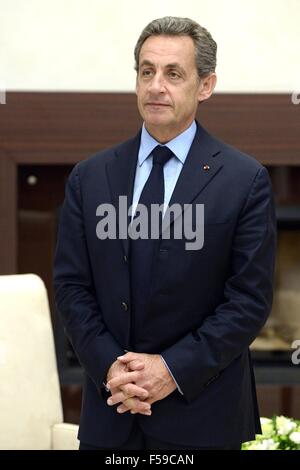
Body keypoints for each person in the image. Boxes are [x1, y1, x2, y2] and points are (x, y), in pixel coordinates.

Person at [54, 16, 276, 450]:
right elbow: (71, 287)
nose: (157, 85)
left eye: (173, 73)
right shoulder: (90, 176)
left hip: (204, 416)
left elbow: (249, 300)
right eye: (147, 71)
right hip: (113, 410)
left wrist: (170, 370)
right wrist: (111, 370)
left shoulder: (245, 180)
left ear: (206, 85)